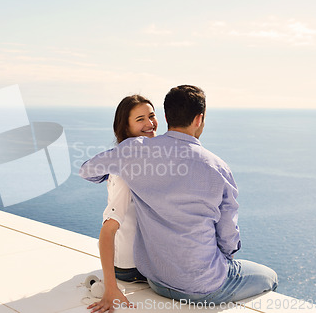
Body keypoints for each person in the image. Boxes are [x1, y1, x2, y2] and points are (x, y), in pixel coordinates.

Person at [80, 85, 278, 306]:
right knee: (270, 277)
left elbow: (87, 170)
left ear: (165, 117)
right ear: (199, 119)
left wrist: (123, 162)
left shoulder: (134, 152)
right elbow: (228, 239)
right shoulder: (217, 167)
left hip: (156, 279)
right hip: (204, 286)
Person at [88, 95, 157, 313]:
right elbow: (108, 229)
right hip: (130, 268)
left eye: (152, 116)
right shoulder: (125, 169)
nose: (149, 123)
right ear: (126, 129)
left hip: (142, 261)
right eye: (140, 119)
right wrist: (111, 287)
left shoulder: (148, 158)